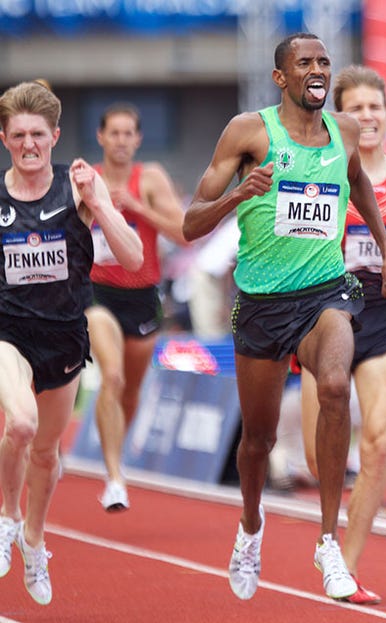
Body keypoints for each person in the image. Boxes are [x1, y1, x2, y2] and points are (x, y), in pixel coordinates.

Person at [180, 33, 386, 602]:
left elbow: (359, 186)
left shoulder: (344, 132)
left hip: (326, 292)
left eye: (324, 62)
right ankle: (251, 525)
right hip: (261, 303)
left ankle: (328, 541)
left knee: (334, 385)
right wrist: (238, 195)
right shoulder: (249, 132)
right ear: (281, 77)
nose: (318, 70)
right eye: (305, 63)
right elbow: (190, 223)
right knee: (256, 438)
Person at [292, 64, 386, 605]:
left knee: (378, 439)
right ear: (339, 117)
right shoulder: (319, 169)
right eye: (356, 108)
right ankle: (331, 535)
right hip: (323, 310)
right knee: (317, 457)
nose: (368, 117)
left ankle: (344, 567)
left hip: (384, 311)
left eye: (375, 107)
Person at [0, 80, 143, 605]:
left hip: (63, 336)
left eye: (38, 134)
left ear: (55, 136)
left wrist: (100, 202)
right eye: (19, 135)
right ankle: (7, 517)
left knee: (45, 452)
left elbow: (130, 259)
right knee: (19, 423)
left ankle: (35, 540)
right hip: (8, 333)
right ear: (4, 138)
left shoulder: (78, 189)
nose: (29, 144)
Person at [87, 102, 188, 512]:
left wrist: (135, 205)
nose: (122, 140)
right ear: (101, 137)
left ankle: (115, 450)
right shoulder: (87, 179)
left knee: (129, 391)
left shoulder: (150, 178)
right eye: (114, 133)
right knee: (110, 376)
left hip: (143, 296)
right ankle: (114, 478)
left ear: (138, 139)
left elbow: (184, 234)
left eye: (129, 133)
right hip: (97, 294)